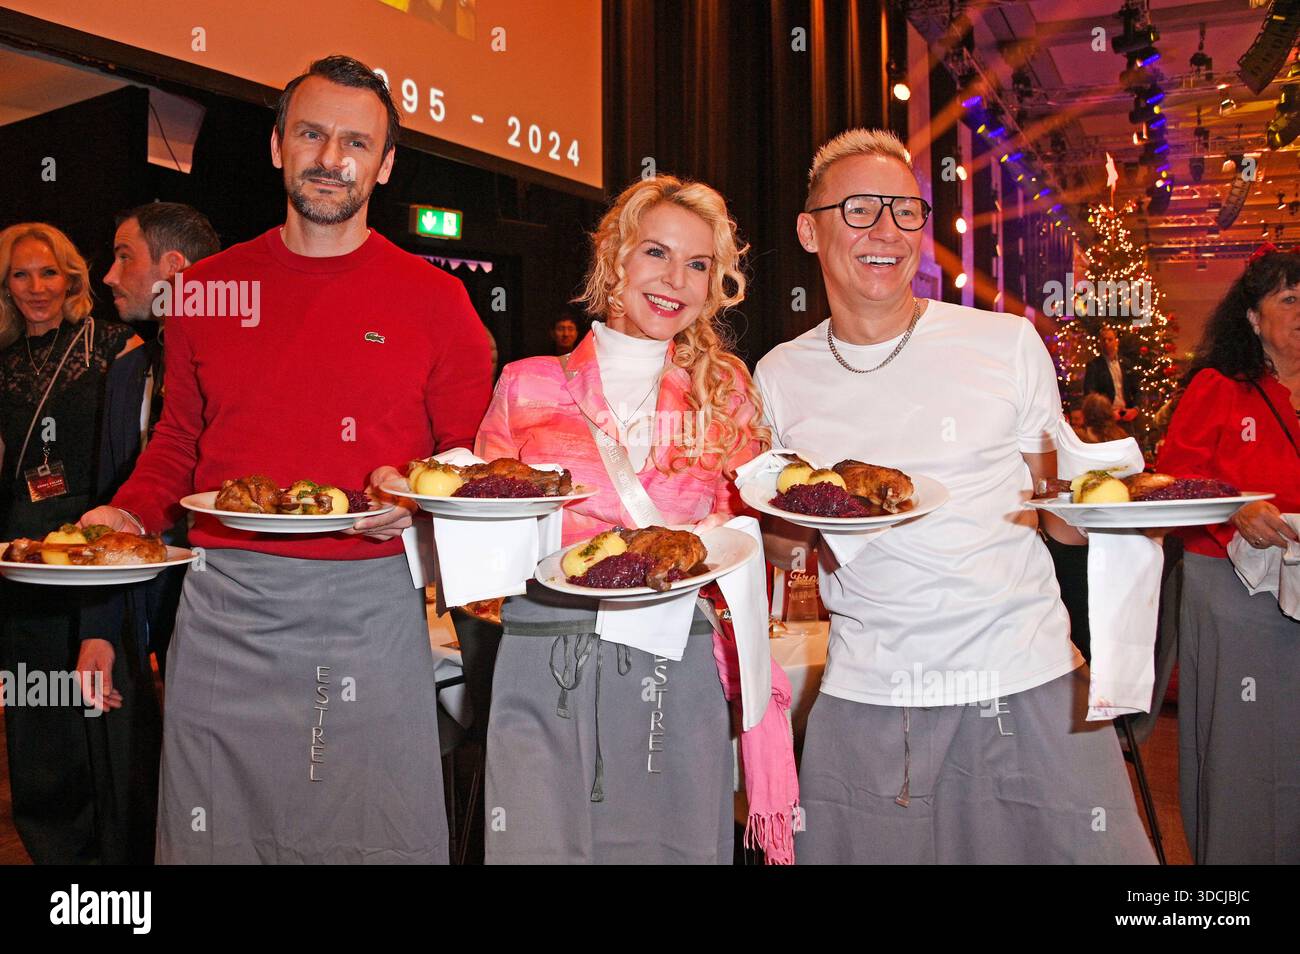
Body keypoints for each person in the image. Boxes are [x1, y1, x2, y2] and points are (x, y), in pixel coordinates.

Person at [79, 54, 494, 863]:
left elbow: (466, 467)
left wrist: (415, 492)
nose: (331, 157)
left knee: (373, 835)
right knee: (220, 838)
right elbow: (178, 443)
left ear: (385, 163)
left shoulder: (438, 302)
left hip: (370, 607)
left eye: (355, 142)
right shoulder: (208, 289)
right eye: (311, 133)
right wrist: (125, 513)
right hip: (223, 611)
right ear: (277, 145)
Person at [755, 128, 1155, 864]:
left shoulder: (1005, 344)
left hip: (1027, 678)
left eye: (906, 211)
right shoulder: (779, 376)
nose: (887, 231)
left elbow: (1054, 511)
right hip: (873, 693)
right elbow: (783, 550)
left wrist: (1121, 515)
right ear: (809, 231)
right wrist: (792, 518)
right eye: (860, 210)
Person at [474, 175, 794, 863]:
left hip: (672, 661)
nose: (676, 278)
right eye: (656, 253)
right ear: (615, 259)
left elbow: (757, 532)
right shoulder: (526, 384)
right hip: (544, 655)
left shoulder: (725, 388)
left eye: (699, 264)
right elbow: (483, 542)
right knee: (534, 849)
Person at [0, 222, 151, 863]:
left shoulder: (115, 345)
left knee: (104, 712)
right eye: (20, 274)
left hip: (93, 554)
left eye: (48, 272)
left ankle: (120, 864)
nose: (36, 288)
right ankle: (57, 859)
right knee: (37, 720)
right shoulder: (2, 362)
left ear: (72, 277)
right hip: (21, 556)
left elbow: (139, 452)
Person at [1157, 245, 1300, 864]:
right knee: (1244, 748)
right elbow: (1172, 483)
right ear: (1253, 318)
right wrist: (1233, 509)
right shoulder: (1218, 389)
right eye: (1290, 300)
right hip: (1235, 596)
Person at [86, 202, 221, 684]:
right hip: (137, 598)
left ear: (174, 269)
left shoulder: (240, 369)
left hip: (223, 597)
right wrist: (95, 628)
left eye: (126, 257)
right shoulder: (127, 371)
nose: (108, 276)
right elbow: (109, 497)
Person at [1084, 325, 1140, 420]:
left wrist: (1135, 409)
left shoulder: (1126, 363)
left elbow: (1137, 389)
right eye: (1103, 340)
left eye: (1110, 339)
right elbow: (1090, 394)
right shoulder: (1094, 365)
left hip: (1126, 414)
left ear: (1116, 342)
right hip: (1107, 417)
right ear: (1100, 343)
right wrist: (1107, 413)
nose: (1106, 342)